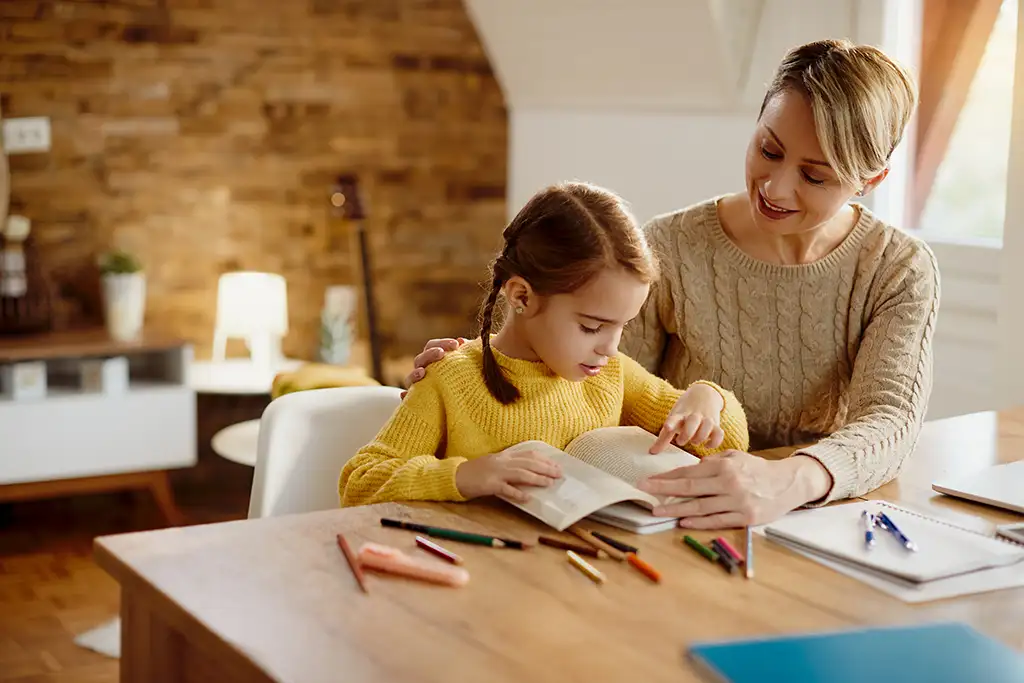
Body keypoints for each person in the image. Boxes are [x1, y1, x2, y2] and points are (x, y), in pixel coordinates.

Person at [401, 39, 940, 529]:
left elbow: (891, 420)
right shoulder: (671, 246)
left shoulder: (896, 268)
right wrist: (473, 369)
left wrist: (791, 479)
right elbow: (589, 386)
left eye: (815, 176)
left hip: (825, 516)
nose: (775, 187)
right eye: (769, 150)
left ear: (871, 181)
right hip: (679, 520)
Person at [339, 182, 749, 507]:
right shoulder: (451, 379)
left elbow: (731, 443)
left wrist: (706, 398)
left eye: (622, 326)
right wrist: (464, 476)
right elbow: (360, 482)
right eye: (592, 327)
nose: (610, 347)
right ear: (521, 297)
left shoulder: (611, 374)